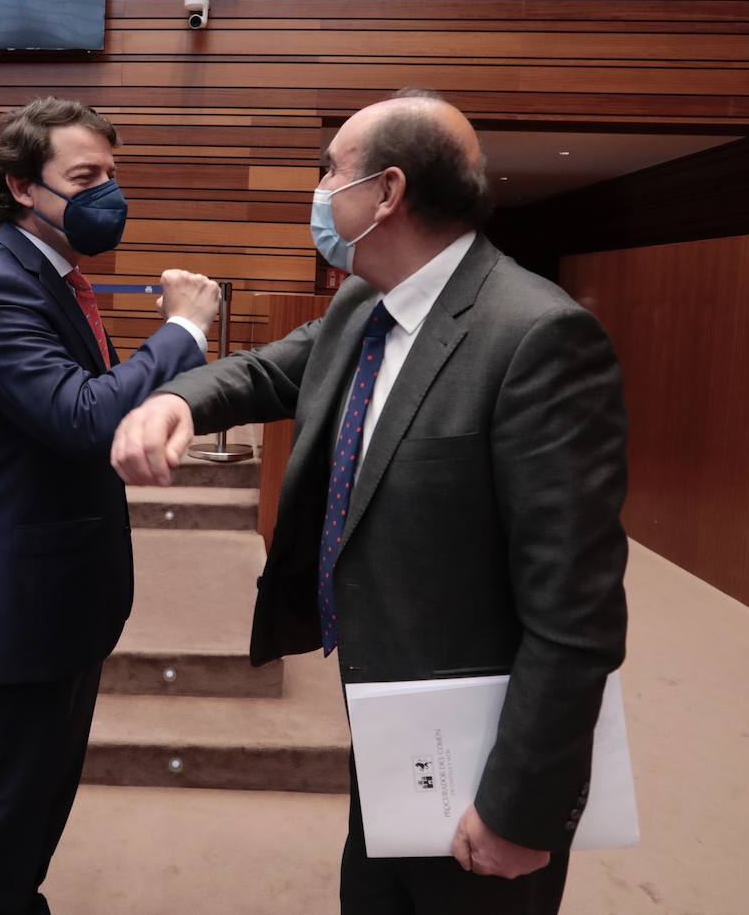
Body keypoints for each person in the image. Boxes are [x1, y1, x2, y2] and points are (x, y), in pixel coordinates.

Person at [111, 90, 629, 915]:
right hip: (388, 717)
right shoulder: (366, 302)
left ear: (386, 193)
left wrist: (523, 808)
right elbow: (270, 369)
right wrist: (178, 401)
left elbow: (578, 613)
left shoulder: (538, 336)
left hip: (479, 749)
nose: (317, 193)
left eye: (328, 173)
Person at [0, 97, 220, 915]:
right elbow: (85, 417)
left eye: (113, 177)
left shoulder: (56, 279)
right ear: (24, 187)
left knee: (30, 829)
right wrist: (183, 331)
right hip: (9, 621)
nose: (107, 197)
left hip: (59, 610)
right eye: (85, 178)